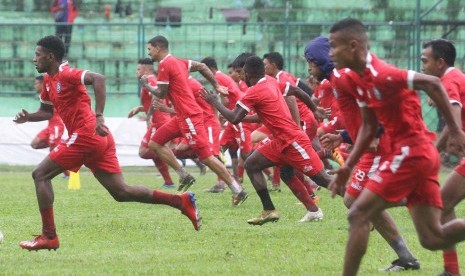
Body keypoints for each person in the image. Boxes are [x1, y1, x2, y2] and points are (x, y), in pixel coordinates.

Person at [14, 35, 201, 251]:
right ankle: (181, 201)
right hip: (98, 138)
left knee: (40, 174)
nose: (33, 59)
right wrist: (29, 118)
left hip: (87, 134)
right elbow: (47, 111)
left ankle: (49, 236)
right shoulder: (49, 80)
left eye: (37, 55)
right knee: (122, 192)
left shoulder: (67, 73)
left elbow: (98, 78)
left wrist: (99, 115)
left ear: (50, 56)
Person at [327, 18, 465, 276]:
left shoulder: (383, 74)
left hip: (411, 152)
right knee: (432, 238)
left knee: (358, 213)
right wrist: (348, 166)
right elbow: (368, 127)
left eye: (334, 46)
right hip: (414, 154)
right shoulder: (358, 80)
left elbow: (432, 83)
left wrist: (456, 131)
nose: (330, 53)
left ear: (353, 46)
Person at [307, 37, 420, 271]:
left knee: (359, 202)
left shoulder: (341, 78)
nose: (309, 67)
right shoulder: (335, 80)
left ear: (321, 60)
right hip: (371, 145)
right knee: (354, 201)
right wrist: (344, 136)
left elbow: (371, 105)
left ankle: (417, 198)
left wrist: (376, 132)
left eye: (311, 61)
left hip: (380, 146)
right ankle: (407, 258)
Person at [202, 55, 329, 225]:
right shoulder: (269, 81)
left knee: (322, 178)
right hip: (280, 141)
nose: (241, 77)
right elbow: (296, 91)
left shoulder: (254, 91)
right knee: (253, 164)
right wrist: (315, 109)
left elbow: (234, 118)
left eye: (242, 73)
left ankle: (363, 202)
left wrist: (214, 102)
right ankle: (276, 210)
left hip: (292, 140)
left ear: (248, 74)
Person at [141, 35, 248, 206]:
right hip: (181, 117)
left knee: (206, 157)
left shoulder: (165, 65)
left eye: (149, 49)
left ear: (158, 48)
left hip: (189, 116)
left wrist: (147, 86)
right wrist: (216, 85)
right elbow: (202, 66)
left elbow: (160, 93)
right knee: (155, 143)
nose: (149, 53)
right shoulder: (179, 62)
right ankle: (184, 175)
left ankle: (237, 189)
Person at [421, 39, 465, 276]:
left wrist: (435, 149)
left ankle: (451, 270)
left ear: (440, 62)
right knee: (444, 203)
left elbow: (454, 118)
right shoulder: (453, 78)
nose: (422, 66)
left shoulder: (450, 80)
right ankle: (451, 270)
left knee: (442, 202)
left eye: (425, 61)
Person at [127, 58, 175, 189]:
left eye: (138, 69)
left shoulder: (151, 79)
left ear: (146, 69)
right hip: (158, 120)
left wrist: (148, 117)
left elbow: (156, 98)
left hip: (159, 121)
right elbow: (152, 102)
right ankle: (169, 182)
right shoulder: (148, 81)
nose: (136, 72)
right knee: (152, 150)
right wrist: (140, 109)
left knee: (144, 152)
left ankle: (174, 154)